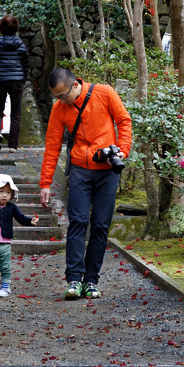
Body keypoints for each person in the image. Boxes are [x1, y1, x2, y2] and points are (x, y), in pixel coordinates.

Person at [39, 67, 132, 300]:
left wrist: (122, 151)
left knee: (100, 225)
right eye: (56, 97)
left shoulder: (104, 93)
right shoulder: (60, 108)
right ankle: (74, 278)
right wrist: (45, 182)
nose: (60, 100)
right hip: (80, 168)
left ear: (75, 85)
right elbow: (52, 145)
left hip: (108, 170)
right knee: (78, 222)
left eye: (62, 95)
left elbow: (124, 121)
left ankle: (91, 280)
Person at [0, 14, 29, 152]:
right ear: (16, 28)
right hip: (17, 80)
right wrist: (22, 78)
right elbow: (25, 64)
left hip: (0, 80)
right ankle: (13, 146)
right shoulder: (21, 45)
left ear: (1, 28)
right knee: (15, 114)